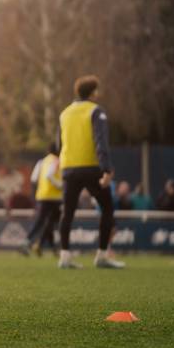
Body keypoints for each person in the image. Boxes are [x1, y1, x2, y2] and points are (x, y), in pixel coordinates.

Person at [56, 75, 125, 269]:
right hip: (91, 168)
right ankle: (102, 255)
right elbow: (100, 142)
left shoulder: (64, 113)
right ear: (93, 92)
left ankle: (64, 256)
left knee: (67, 212)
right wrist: (107, 169)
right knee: (108, 209)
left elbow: (58, 144)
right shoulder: (96, 111)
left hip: (69, 168)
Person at [21, 143, 62, 257]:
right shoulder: (56, 160)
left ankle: (35, 244)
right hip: (54, 198)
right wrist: (59, 185)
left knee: (43, 221)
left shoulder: (41, 162)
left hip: (42, 196)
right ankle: (35, 243)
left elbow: (33, 178)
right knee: (50, 222)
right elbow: (49, 175)